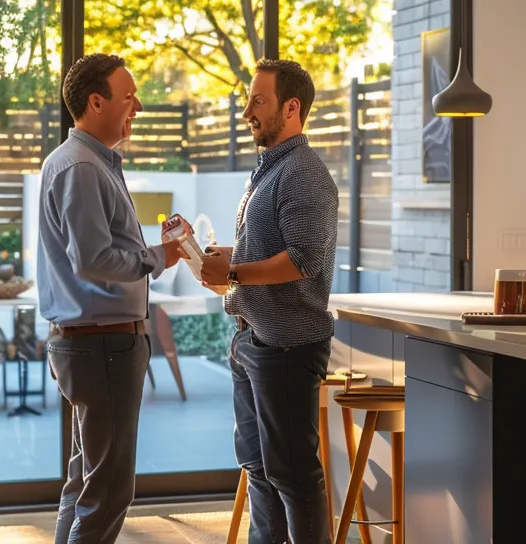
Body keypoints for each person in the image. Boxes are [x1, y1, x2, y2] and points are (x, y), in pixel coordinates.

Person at [37, 52, 185, 544]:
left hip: (94, 343)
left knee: (84, 483)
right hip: (101, 346)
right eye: (128, 97)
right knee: (108, 492)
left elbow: (102, 250)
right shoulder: (82, 166)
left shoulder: (85, 161)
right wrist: (157, 258)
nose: (138, 107)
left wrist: (152, 250)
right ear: (96, 102)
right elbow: (95, 260)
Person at [200, 59, 339, 544]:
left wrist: (234, 270)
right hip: (254, 343)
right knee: (259, 468)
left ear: (292, 107)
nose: (247, 111)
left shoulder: (304, 173)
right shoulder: (270, 170)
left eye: (258, 100)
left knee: (292, 473)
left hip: (287, 346)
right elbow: (270, 249)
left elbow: (303, 261)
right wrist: (224, 257)